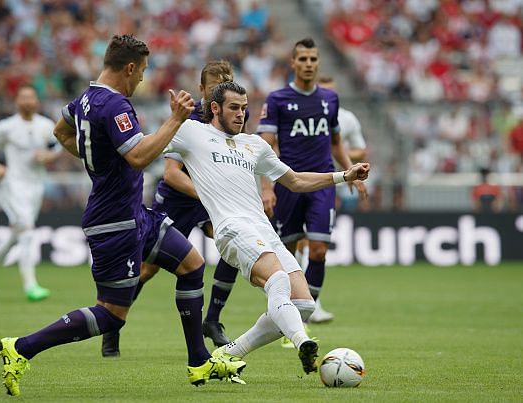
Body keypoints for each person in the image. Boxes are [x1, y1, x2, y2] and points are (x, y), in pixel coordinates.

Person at [0, 35, 245, 397]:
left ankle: (198, 361)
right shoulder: (115, 105)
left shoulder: (84, 98)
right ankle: (21, 347)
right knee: (111, 314)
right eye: (141, 71)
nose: (142, 78)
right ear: (129, 67)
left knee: (191, 265)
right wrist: (174, 120)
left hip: (135, 214)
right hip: (114, 221)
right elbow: (140, 156)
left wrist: (97, 160)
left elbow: (60, 131)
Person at [167, 81, 370, 377]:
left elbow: (296, 181)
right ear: (214, 108)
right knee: (277, 280)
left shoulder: (255, 145)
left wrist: (344, 175)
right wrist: (173, 118)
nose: (241, 114)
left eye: (244, 108)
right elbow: (141, 148)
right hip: (231, 229)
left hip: (264, 230)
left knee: (303, 304)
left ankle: (227, 354)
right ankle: (303, 342)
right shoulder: (192, 133)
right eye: (234, 108)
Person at [100, 61, 246, 357]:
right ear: (202, 89)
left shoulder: (236, 115)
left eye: (226, 84)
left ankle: (213, 321)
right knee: (147, 270)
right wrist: (210, 193)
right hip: (177, 201)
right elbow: (171, 174)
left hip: (207, 203)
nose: (221, 92)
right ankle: (113, 324)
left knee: (236, 242)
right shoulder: (188, 119)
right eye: (215, 87)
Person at [256, 38, 367, 334]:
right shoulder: (277, 99)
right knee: (286, 256)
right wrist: (266, 188)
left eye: (313, 59)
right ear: (292, 63)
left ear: (318, 63)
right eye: (302, 59)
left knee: (318, 251)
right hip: (288, 186)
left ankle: (302, 320)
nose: (308, 64)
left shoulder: (329, 99)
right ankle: (285, 317)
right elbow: (263, 148)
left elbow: (335, 141)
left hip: (322, 184)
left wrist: (349, 172)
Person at [0, 84, 61, 302]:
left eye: (31, 97)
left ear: (36, 101)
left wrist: (48, 158)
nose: (28, 101)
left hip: (36, 186)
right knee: (27, 232)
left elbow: (58, 147)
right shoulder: (7, 126)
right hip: (14, 184)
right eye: (23, 97)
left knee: (18, 233)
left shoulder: (45, 125)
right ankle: (31, 286)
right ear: (17, 102)